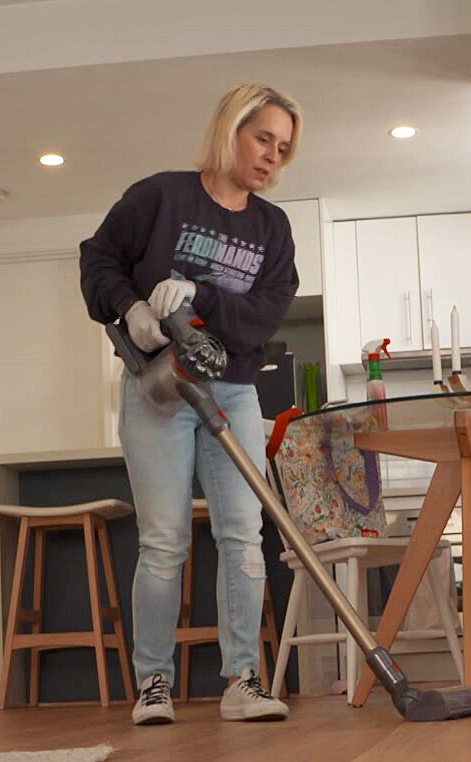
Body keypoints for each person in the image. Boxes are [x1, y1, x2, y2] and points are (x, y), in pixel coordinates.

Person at [80, 83, 302, 726]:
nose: (272, 157)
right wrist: (132, 308)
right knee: (165, 540)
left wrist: (198, 293)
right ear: (231, 129)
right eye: (263, 138)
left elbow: (261, 319)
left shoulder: (271, 229)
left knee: (243, 536)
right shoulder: (159, 197)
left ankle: (243, 681)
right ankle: (153, 683)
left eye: (283, 149)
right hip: (159, 384)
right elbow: (97, 263)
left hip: (231, 387)